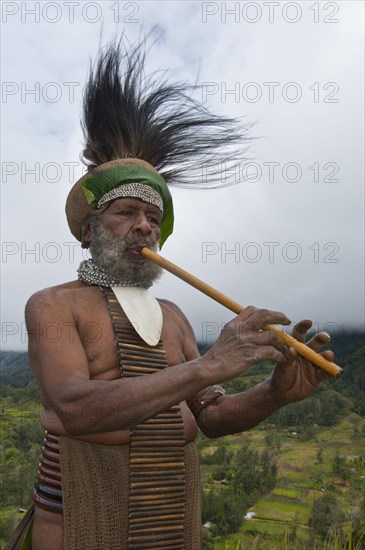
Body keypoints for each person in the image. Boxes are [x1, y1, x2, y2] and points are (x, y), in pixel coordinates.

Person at [24, 37, 334, 550]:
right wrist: (209, 365)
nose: (144, 228)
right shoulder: (54, 305)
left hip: (172, 516)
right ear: (89, 229)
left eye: (154, 219)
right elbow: (75, 409)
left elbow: (209, 415)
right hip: (82, 515)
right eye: (126, 213)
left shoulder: (173, 316)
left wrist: (274, 394)